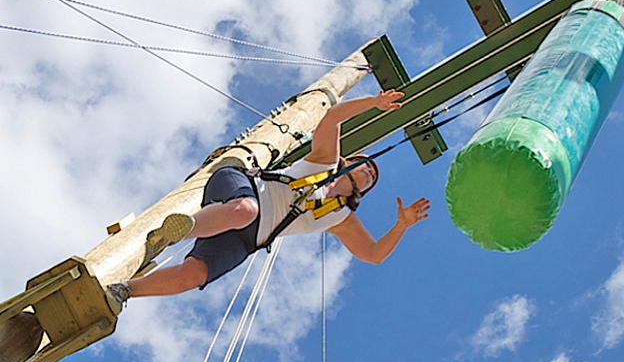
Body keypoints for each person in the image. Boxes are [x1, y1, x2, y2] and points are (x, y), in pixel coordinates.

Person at [107, 89, 430, 304]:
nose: (370, 171)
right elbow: (332, 117)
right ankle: (176, 232)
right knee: (245, 210)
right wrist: (372, 102)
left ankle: (124, 291)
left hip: (248, 240)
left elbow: (373, 254)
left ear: (364, 191)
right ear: (350, 161)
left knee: (194, 276)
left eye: (373, 176)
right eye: (366, 164)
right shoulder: (325, 161)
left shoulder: (341, 217)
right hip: (240, 188)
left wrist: (401, 225)